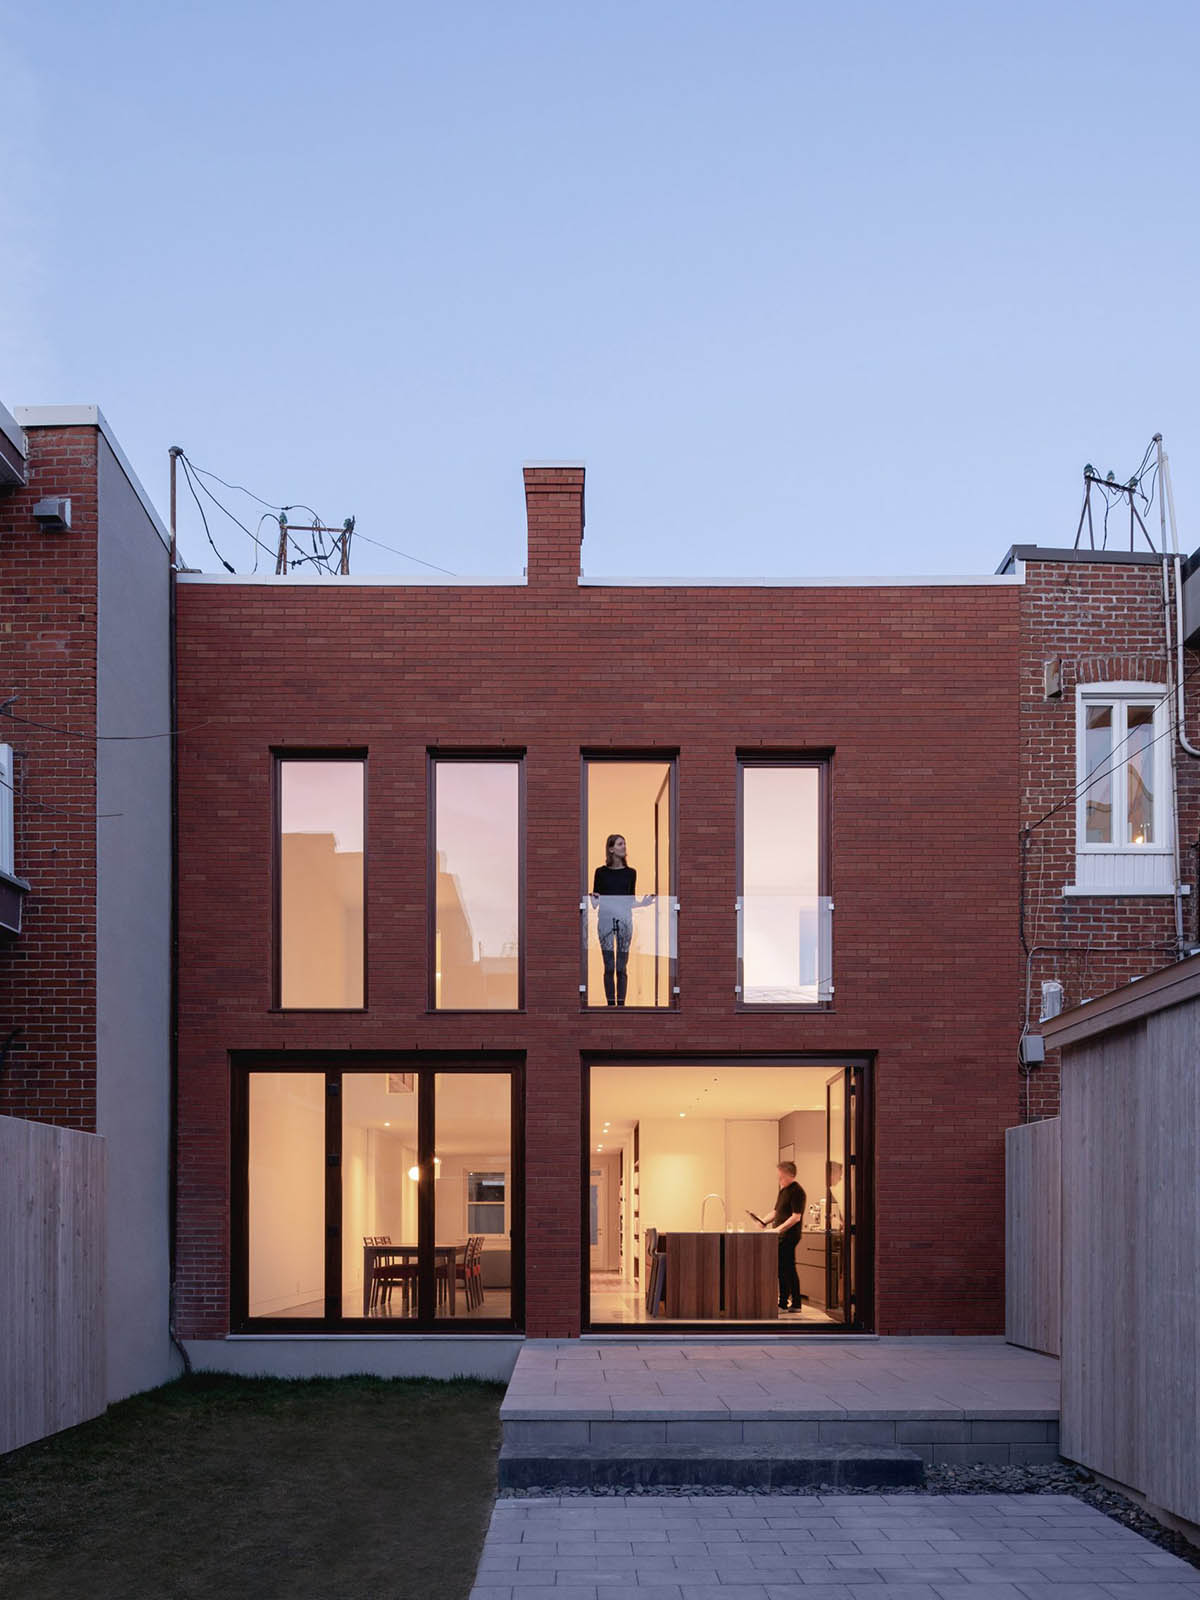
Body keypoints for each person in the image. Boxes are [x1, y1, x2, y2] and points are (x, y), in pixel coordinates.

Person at [590, 833, 644, 1006]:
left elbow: (630, 901)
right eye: (620, 844)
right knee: (608, 966)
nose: (624, 847)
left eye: (624, 844)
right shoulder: (600, 872)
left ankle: (621, 1005)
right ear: (611, 849)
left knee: (621, 966)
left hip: (624, 921)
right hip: (605, 921)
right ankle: (610, 1005)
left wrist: (644, 903)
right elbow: (594, 904)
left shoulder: (631, 873)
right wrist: (594, 897)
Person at [760, 1160, 806, 1313]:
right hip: (781, 1236)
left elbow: (796, 1217)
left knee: (786, 1269)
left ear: (789, 1175)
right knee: (783, 1269)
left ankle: (789, 1303)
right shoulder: (783, 1190)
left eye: (780, 1176)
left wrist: (778, 1230)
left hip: (789, 1236)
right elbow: (776, 1212)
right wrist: (763, 1221)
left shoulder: (797, 1191)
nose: (778, 1179)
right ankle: (789, 1303)